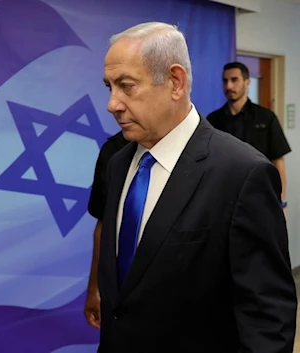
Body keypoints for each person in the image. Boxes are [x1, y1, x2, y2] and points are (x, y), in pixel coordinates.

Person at [98, 22, 296, 352]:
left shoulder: (243, 175)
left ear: (175, 82)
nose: (112, 104)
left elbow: (267, 316)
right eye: (109, 87)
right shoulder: (118, 164)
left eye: (126, 86)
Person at [206, 61, 291, 210]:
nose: (229, 86)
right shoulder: (213, 120)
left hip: (260, 196)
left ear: (247, 82)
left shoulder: (266, 118)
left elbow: (278, 162)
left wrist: (281, 203)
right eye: (225, 81)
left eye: (234, 80)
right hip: (223, 198)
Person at [84, 131, 129, 329]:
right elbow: (103, 225)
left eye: (129, 96)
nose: (113, 106)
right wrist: (95, 287)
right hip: (123, 293)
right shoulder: (113, 151)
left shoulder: (205, 150)